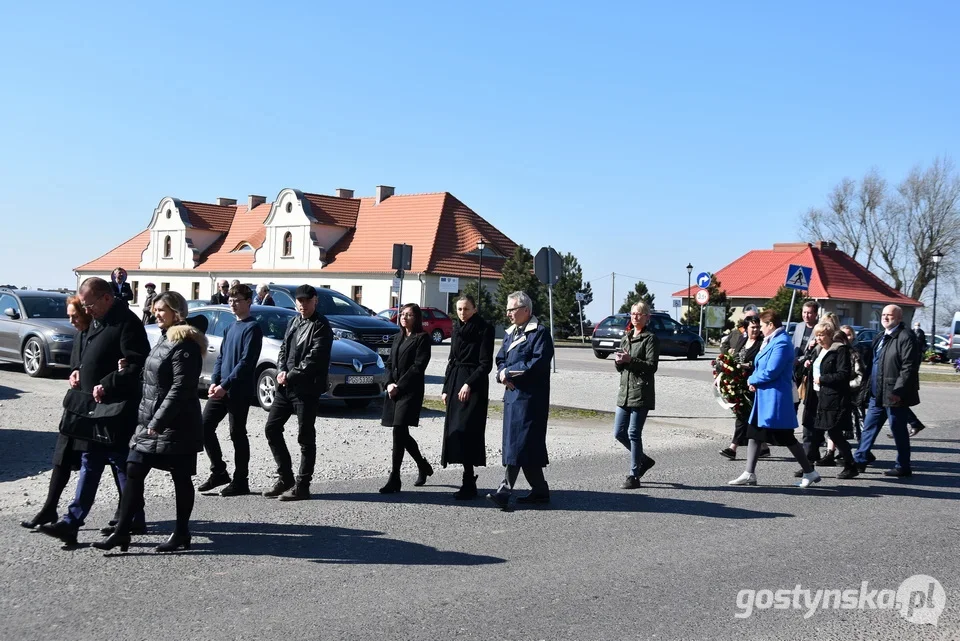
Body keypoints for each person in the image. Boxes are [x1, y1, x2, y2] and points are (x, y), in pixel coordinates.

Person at [38, 278, 148, 546]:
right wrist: (78, 369)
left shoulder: (127, 324)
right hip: (92, 409)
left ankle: (133, 517)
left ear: (106, 298)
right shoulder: (98, 320)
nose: (87, 310)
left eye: (90, 304)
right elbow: (88, 354)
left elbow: (136, 365)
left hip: (117, 409)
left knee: (121, 464)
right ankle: (71, 523)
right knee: (90, 461)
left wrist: (108, 383)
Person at [95, 291, 207, 553]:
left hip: (177, 424)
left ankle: (181, 532)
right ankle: (123, 532)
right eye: (155, 310)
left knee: (180, 477)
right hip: (151, 421)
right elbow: (154, 380)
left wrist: (158, 421)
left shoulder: (186, 344)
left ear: (176, 312)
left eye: (161, 310)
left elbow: (180, 388)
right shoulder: (164, 339)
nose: (156, 314)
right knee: (133, 468)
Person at [19, 297, 125, 530]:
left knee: (115, 459)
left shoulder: (104, 333)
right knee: (64, 455)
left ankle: (127, 513)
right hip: (78, 406)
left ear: (88, 313)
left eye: (75, 316)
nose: (71, 320)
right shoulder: (79, 336)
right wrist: (75, 371)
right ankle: (50, 508)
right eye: (70, 316)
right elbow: (77, 363)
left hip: (101, 407)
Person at [729, 310, 819, 488]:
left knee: (786, 437)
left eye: (762, 326)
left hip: (775, 399)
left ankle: (810, 471)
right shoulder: (771, 341)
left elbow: (772, 370)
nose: (760, 330)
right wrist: (755, 380)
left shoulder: (782, 343)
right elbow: (760, 365)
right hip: (764, 396)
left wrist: (752, 379)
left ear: (770, 325)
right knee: (754, 432)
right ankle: (749, 473)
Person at [262, 284, 333, 500]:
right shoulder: (294, 321)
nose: (302, 305)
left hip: (306, 388)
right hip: (286, 387)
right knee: (272, 428)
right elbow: (283, 349)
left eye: (306, 301)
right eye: (299, 301)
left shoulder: (321, 326)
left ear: (315, 300)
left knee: (305, 436)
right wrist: (281, 370)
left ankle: (303, 485)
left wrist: (290, 374)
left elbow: (314, 358)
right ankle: (285, 477)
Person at [487, 291, 555, 510]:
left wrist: (510, 372)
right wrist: (501, 373)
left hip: (530, 400)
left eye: (512, 309)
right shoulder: (511, 333)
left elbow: (537, 365)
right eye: (507, 309)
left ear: (526, 310)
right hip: (512, 397)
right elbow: (500, 359)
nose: (508, 314)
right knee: (523, 447)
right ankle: (540, 491)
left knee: (519, 445)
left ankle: (504, 491)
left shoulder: (540, 333)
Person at [197, 284, 263, 496]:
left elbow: (246, 362)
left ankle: (241, 481)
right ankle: (219, 471)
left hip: (238, 390)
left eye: (238, 300)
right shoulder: (230, 328)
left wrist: (225, 386)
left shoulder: (253, 328)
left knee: (237, 434)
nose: (233, 304)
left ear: (248, 302)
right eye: (231, 300)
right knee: (204, 427)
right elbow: (221, 358)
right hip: (221, 389)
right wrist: (215, 382)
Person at [851, 305, 920, 477]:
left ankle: (903, 466)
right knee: (869, 427)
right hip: (877, 393)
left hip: (894, 394)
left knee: (898, 430)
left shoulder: (905, 337)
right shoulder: (881, 336)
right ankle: (859, 461)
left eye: (890, 315)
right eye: (883, 315)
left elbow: (909, 367)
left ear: (899, 318)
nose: (885, 318)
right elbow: (873, 364)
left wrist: (898, 391)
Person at [441, 295, 494, 499]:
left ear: (474, 309)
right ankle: (467, 478)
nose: (462, 313)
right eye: (459, 309)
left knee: (467, 430)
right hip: (455, 381)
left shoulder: (484, 328)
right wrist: (446, 387)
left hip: (474, 385)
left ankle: (469, 481)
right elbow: (451, 359)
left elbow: (485, 364)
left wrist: (468, 384)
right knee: (455, 430)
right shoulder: (457, 328)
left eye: (466, 309)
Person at [379, 303, 433, 493]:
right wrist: (388, 383)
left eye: (409, 315)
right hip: (393, 390)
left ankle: (395, 478)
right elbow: (388, 364)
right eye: (402, 314)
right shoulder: (398, 337)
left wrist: (399, 386)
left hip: (409, 392)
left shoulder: (422, 338)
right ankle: (422, 465)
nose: (404, 317)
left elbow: (418, 367)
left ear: (416, 318)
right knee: (401, 433)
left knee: (398, 432)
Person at [613, 302, 659, 489]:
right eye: (633, 314)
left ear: (647, 317)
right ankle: (644, 459)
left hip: (641, 391)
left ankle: (634, 475)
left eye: (640, 314)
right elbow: (620, 368)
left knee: (633, 433)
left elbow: (651, 366)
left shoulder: (650, 339)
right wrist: (619, 361)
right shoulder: (627, 337)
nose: (635, 317)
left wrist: (630, 360)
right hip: (624, 392)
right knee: (619, 433)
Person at [810, 325, 860, 479]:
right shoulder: (820, 351)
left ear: (831, 335)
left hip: (836, 398)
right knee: (817, 432)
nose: (818, 338)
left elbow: (843, 374)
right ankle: (808, 466)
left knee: (834, 433)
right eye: (817, 335)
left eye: (822, 335)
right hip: (822, 396)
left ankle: (850, 465)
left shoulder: (840, 350)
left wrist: (822, 379)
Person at [719, 316, 769, 460]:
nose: (756, 330)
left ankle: (732, 448)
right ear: (746, 328)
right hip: (739, 382)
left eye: (758, 327)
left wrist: (748, 366)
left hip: (753, 384)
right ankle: (764, 447)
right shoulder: (742, 340)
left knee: (743, 415)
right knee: (747, 416)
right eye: (752, 327)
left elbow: (762, 363)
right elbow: (734, 356)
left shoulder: (762, 344)